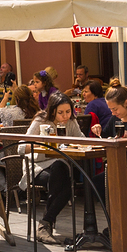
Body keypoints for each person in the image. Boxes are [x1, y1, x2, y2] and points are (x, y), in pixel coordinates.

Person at [20, 98, 84, 244]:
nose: (65, 116)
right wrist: (42, 143)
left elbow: (82, 140)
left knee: (60, 170)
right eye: (60, 112)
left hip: (59, 167)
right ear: (53, 111)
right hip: (36, 166)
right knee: (67, 184)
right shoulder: (41, 121)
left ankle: (45, 224)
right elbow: (21, 148)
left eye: (68, 111)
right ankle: (45, 224)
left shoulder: (71, 122)